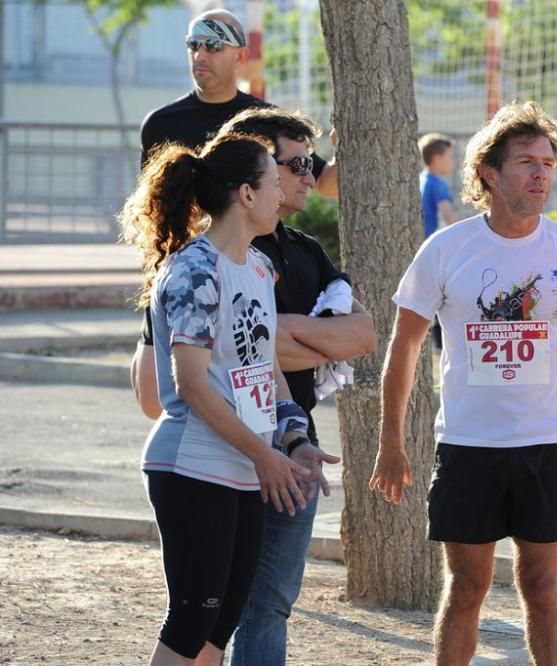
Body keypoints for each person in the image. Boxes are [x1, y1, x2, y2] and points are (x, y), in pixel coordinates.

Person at [370, 101, 557, 665]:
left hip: (548, 446)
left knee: (543, 586)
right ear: (489, 172)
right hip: (469, 446)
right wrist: (391, 442)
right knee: (466, 587)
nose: (541, 174)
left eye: (549, 162)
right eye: (527, 162)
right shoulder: (446, 249)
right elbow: (403, 346)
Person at [118, 132, 316, 665]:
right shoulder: (195, 269)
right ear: (246, 196)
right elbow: (190, 386)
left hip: (246, 469)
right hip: (192, 466)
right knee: (191, 620)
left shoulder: (258, 267)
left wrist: (293, 437)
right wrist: (264, 455)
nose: (284, 193)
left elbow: (264, 366)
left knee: (219, 626)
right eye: (275, 182)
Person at [214, 108, 376, 666]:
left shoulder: (305, 250)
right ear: (259, 171)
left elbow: (362, 335)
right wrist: (316, 341)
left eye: (315, 162)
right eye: (300, 164)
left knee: (271, 607)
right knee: (208, 610)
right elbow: (235, 347)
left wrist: (281, 333)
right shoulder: (217, 254)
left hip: (296, 444)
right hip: (225, 450)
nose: (313, 176)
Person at [131, 7, 339, 417]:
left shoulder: (262, 120)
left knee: (250, 393)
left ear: (240, 55)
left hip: (248, 273)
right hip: (183, 270)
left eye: (213, 45)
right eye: (193, 44)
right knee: (155, 402)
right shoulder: (161, 123)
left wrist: (348, 140)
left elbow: (322, 183)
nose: (200, 55)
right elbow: (153, 203)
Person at [418, 132, 457, 237]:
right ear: (437, 159)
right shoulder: (438, 184)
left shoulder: (421, 179)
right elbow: (447, 215)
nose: (453, 162)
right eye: (450, 157)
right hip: (433, 239)